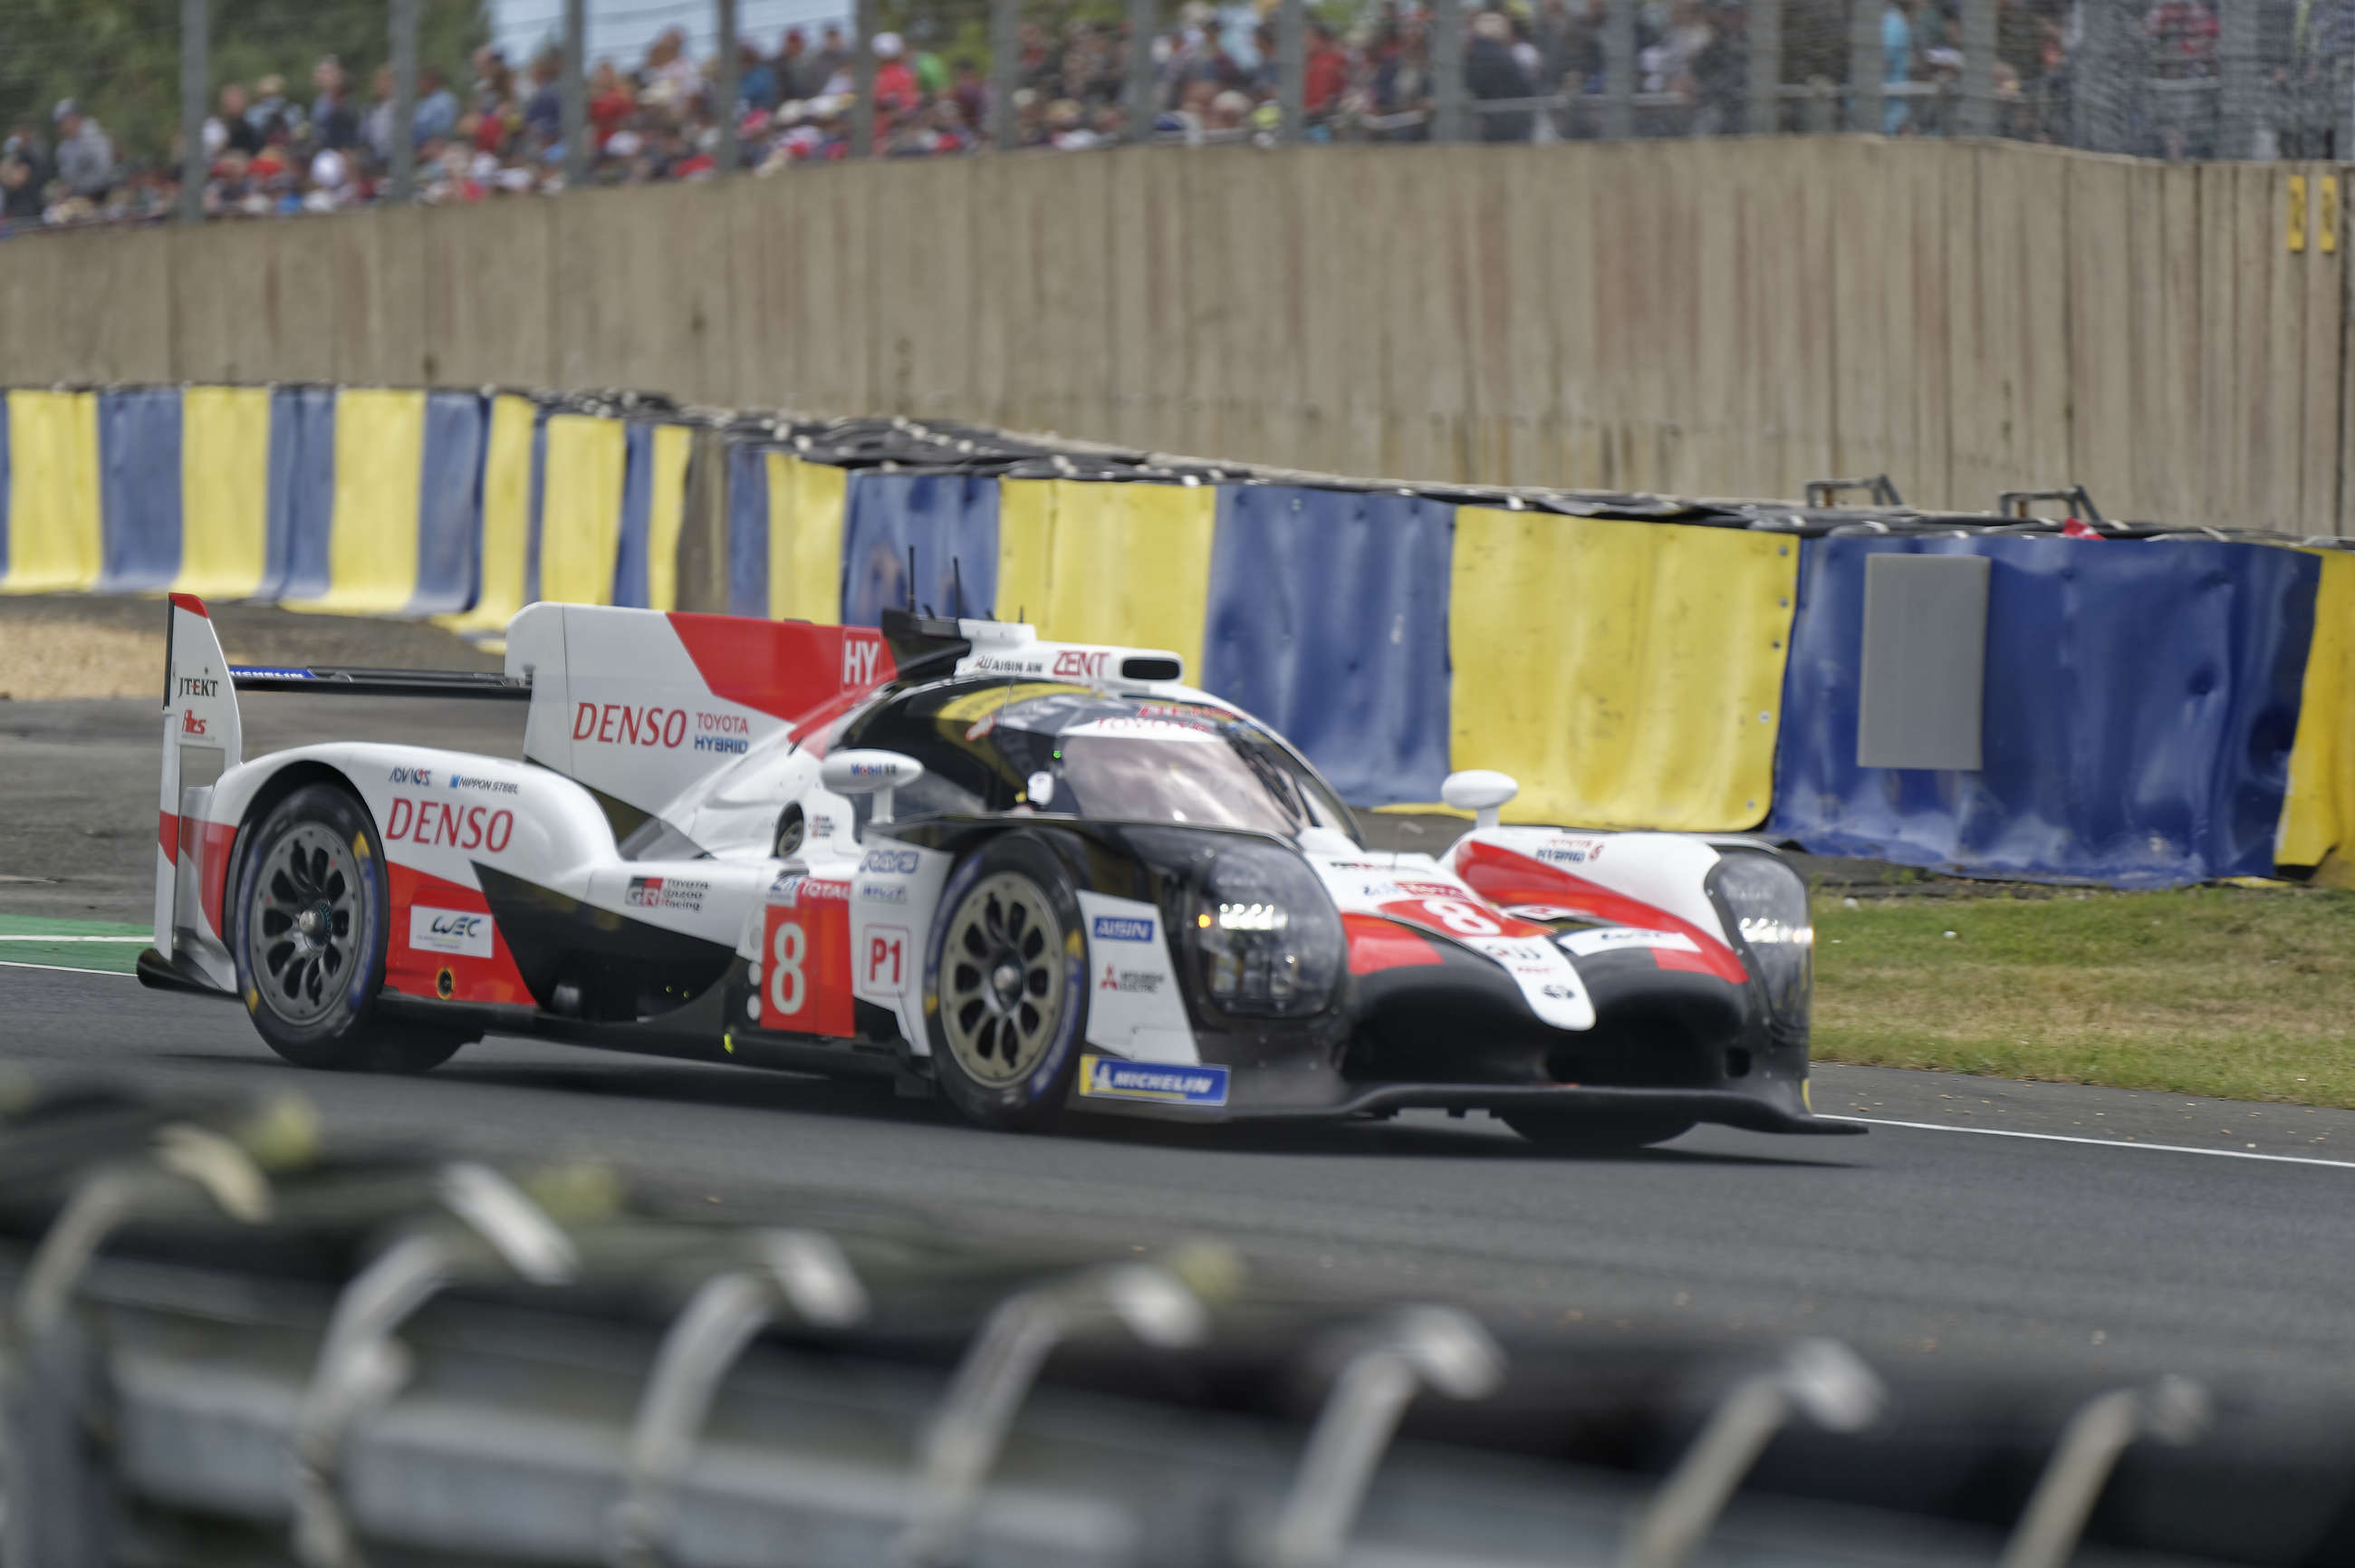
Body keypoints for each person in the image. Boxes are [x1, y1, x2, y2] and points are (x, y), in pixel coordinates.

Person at [1466, 10, 1535, 141]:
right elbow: (1525, 89)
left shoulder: (1473, 56)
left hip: (1488, 124)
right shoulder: (1505, 56)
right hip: (1510, 125)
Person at [52, 101, 114, 200]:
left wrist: (74, 187)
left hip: (99, 196)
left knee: (61, 214)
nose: (61, 127)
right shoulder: (63, 148)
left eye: (63, 121)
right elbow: (66, 178)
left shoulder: (96, 138)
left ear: (75, 118)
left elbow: (104, 173)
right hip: (76, 197)